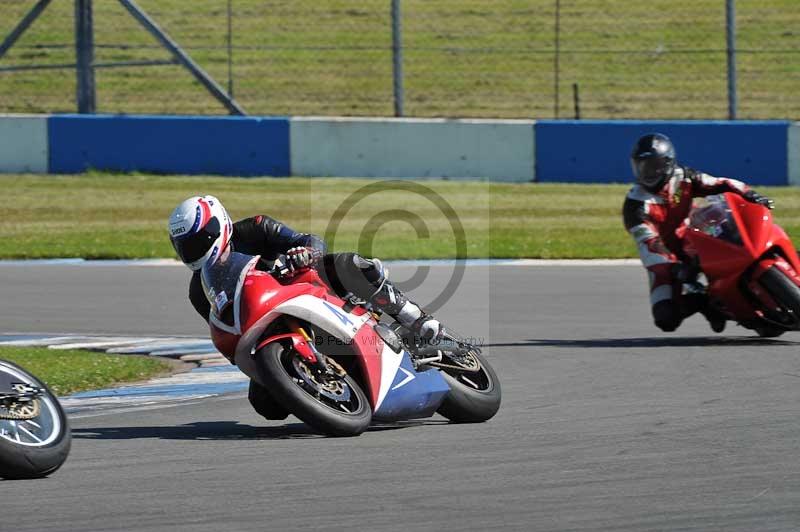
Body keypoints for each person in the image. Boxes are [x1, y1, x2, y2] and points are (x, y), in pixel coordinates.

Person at [167, 195, 443, 344]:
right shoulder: (199, 291)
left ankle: (413, 317)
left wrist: (306, 253)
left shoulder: (256, 228)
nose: (193, 251)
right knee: (266, 406)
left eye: (198, 241)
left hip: (305, 289)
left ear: (218, 226)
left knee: (347, 265)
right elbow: (226, 330)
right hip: (270, 327)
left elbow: (307, 240)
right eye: (185, 246)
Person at [623, 133, 775, 333]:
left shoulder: (684, 177)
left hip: (694, 237)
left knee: (738, 241)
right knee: (665, 318)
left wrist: (750, 195)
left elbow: (720, 183)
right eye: (643, 166)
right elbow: (649, 243)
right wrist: (672, 267)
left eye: (654, 165)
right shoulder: (635, 205)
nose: (649, 172)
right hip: (664, 259)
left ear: (668, 163)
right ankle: (704, 303)